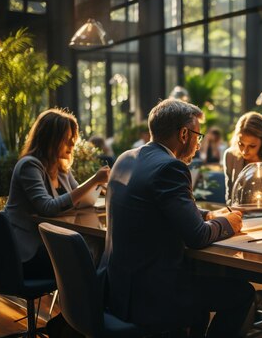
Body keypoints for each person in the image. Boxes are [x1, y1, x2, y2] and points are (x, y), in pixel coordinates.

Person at [105, 99, 254, 336]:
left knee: (202, 291)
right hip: (154, 295)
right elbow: (197, 236)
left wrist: (207, 214)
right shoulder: (169, 168)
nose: (198, 143)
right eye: (198, 135)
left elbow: (160, 208)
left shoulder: (126, 158)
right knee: (243, 293)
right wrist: (228, 222)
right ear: (184, 133)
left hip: (120, 289)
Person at [4, 108, 110, 279]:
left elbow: (79, 198)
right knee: (93, 252)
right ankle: (86, 301)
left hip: (50, 241)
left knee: (102, 246)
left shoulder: (61, 170)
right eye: (67, 139)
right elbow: (48, 208)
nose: (72, 144)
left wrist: (102, 188)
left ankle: (88, 301)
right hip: (29, 251)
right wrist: (93, 181)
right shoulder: (29, 166)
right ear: (51, 138)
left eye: (73, 139)